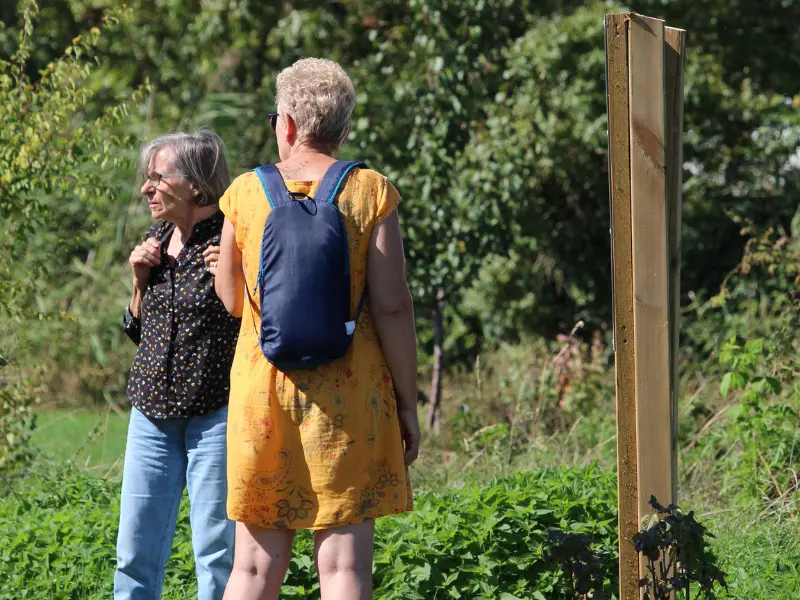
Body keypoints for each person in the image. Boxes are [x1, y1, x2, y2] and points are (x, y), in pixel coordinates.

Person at [214, 57, 421, 600]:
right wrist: (406, 404)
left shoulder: (242, 194)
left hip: (264, 395)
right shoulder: (371, 191)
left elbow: (233, 300)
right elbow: (394, 306)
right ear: (343, 127)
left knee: (253, 569)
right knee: (344, 570)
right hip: (352, 395)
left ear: (284, 123)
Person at [115, 129, 240, 600]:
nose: (147, 189)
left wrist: (235, 276)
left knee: (216, 555)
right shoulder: (156, 237)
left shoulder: (232, 238)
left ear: (194, 184)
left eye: (157, 178)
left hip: (215, 417)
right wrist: (138, 281)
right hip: (150, 415)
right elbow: (137, 332)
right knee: (134, 553)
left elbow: (258, 325)